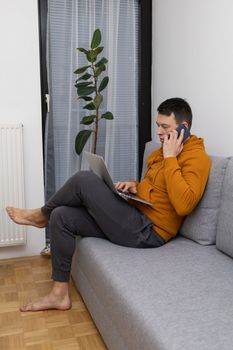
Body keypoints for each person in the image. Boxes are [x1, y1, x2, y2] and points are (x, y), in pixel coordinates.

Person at [6, 97, 211, 312]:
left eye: (165, 126)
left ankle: (40, 216)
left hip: (150, 232)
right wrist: (134, 186)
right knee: (62, 216)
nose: (159, 132)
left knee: (83, 180)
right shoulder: (161, 150)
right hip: (135, 216)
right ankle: (59, 295)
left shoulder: (196, 158)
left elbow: (184, 205)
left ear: (184, 128)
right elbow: (157, 190)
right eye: (157, 125)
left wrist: (170, 158)